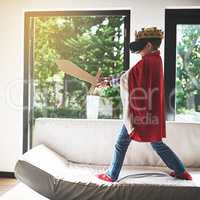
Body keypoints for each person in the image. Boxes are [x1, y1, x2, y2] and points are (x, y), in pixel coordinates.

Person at [96, 27, 192, 182]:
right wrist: (108, 81)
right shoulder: (156, 60)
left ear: (148, 46)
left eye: (140, 46)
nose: (138, 51)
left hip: (140, 113)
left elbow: (126, 77)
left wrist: (107, 82)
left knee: (121, 143)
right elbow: (130, 75)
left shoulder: (148, 62)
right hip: (151, 113)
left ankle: (111, 175)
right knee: (157, 143)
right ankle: (181, 171)